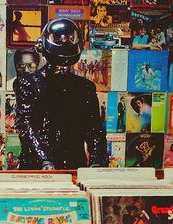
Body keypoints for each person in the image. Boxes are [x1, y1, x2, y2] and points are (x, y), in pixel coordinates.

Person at [14, 18, 108, 170]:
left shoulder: (85, 88)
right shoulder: (28, 83)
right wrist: (44, 160)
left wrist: (96, 162)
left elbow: (94, 129)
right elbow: (27, 125)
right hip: (37, 167)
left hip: (72, 164)